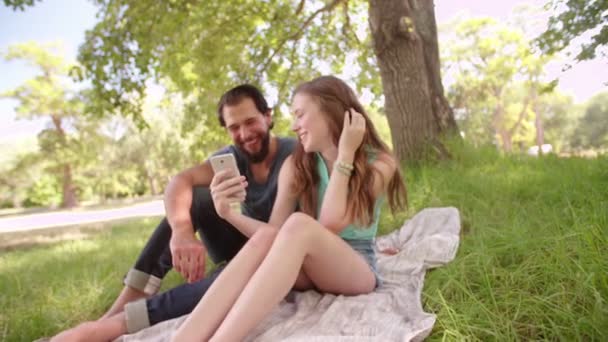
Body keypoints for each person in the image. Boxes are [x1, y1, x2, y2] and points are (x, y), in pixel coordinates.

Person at [50, 84, 296, 341]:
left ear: (268, 116)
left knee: (226, 284)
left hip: (277, 257)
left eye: (250, 122)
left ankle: (122, 322)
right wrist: (182, 232)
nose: (244, 134)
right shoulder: (234, 157)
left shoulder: (294, 155)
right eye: (234, 127)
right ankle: (129, 297)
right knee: (197, 196)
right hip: (243, 245)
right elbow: (179, 181)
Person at [173, 75, 407, 341]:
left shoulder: (380, 163)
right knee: (269, 236)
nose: (294, 127)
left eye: (300, 115)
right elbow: (273, 234)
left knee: (298, 224)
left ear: (330, 111)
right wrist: (228, 214)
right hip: (309, 268)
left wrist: (345, 155)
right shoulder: (298, 164)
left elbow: (330, 223)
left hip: (355, 270)